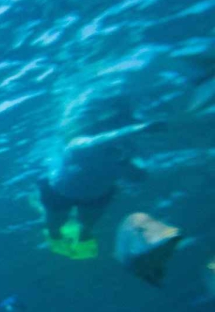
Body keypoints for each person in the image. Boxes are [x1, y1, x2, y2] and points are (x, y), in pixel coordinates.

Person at [38, 91, 154, 259]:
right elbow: (92, 144)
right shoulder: (79, 141)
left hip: (97, 195)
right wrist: (139, 128)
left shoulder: (127, 147)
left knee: (86, 227)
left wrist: (125, 163)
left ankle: (80, 236)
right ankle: (55, 235)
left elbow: (139, 177)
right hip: (60, 191)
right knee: (54, 227)